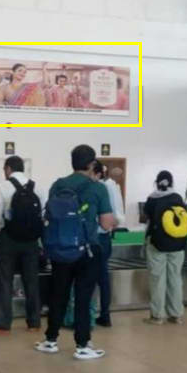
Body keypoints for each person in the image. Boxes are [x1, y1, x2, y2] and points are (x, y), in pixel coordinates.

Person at [35, 145, 114, 360]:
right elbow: (106, 224)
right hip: (87, 251)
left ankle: (50, 340)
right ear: (91, 164)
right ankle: (82, 345)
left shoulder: (57, 185)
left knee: (58, 294)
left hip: (60, 248)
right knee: (83, 297)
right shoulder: (98, 188)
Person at [0, 156, 45, 335]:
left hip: (8, 239)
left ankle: (3, 324)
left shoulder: (2, 186)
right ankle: (34, 322)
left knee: (5, 281)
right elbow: (43, 214)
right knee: (32, 281)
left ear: (8, 169)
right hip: (31, 241)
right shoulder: (37, 187)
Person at [143, 171, 187, 325]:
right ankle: (176, 314)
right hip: (178, 244)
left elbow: (146, 217)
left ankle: (157, 316)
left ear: (157, 182)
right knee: (175, 278)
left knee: (157, 279)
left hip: (156, 244)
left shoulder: (152, 198)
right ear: (172, 182)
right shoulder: (178, 198)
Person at [92, 161, 124, 327]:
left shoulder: (102, 188)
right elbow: (116, 216)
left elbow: (113, 217)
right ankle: (104, 314)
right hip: (104, 237)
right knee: (102, 278)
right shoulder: (110, 187)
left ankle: (95, 314)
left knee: (93, 277)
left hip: (97, 237)